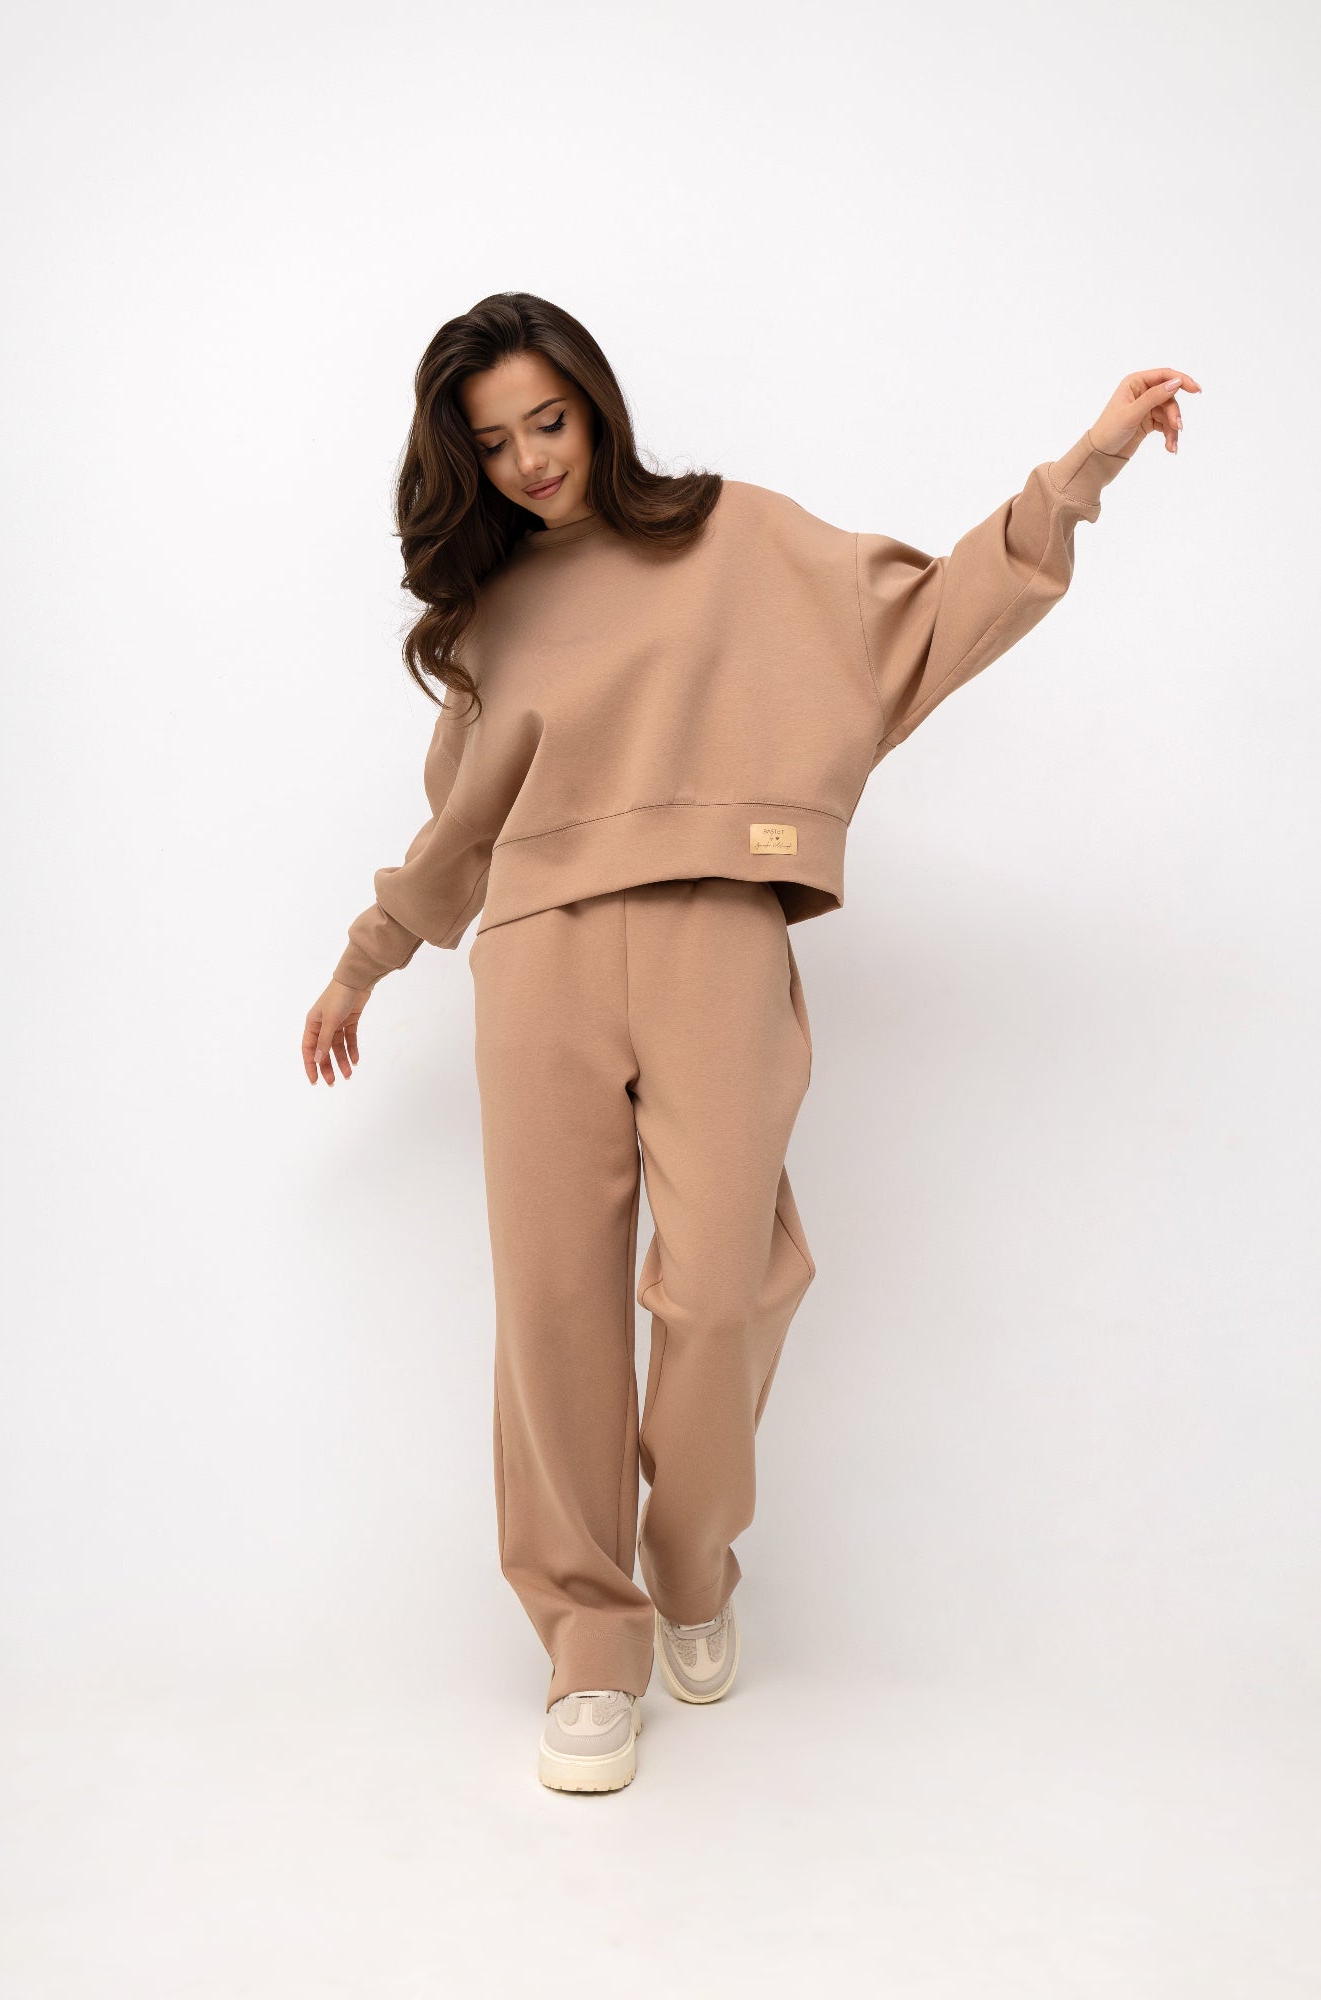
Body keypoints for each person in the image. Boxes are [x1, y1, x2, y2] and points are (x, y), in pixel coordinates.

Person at [301, 291, 1199, 1794]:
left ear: (596, 404)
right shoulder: (490, 616)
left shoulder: (734, 533)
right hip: (538, 958)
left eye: (548, 421)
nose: (530, 460)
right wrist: (364, 963)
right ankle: (590, 1643)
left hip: (716, 934)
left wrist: (1082, 468)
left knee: (725, 1285)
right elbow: (458, 827)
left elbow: (923, 621)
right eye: (495, 443)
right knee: (553, 1307)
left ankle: (689, 1557)